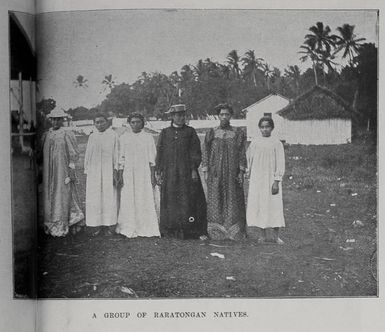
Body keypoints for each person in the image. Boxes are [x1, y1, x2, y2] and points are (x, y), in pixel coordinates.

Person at [155, 104, 207, 240]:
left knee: (188, 200)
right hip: (170, 173)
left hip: (187, 173)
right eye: (178, 115)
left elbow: (196, 153)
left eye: (183, 115)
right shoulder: (165, 133)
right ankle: (170, 231)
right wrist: (159, 171)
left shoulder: (190, 132)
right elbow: (160, 153)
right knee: (171, 200)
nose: (181, 118)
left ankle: (189, 231)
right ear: (172, 117)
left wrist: (193, 169)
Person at [202, 103, 247, 240]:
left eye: (227, 114)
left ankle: (234, 231)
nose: (224, 117)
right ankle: (216, 232)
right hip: (216, 172)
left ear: (231, 116)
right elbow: (206, 150)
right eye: (222, 114)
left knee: (233, 198)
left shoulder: (238, 132)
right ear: (218, 116)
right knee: (216, 197)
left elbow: (242, 152)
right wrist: (205, 170)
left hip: (232, 172)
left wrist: (241, 171)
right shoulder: (212, 132)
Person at [116, 113, 160, 238]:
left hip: (143, 173)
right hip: (129, 172)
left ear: (143, 123)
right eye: (133, 122)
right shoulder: (124, 138)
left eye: (138, 122)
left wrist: (152, 176)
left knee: (143, 197)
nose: (135, 124)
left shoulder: (148, 137)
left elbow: (152, 159)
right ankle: (129, 225)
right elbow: (121, 158)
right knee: (128, 197)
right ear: (129, 124)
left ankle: (145, 226)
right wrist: (120, 174)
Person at [42, 108, 84, 237]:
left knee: (64, 193)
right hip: (49, 170)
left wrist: (71, 169)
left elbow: (73, 153)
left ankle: (68, 221)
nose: (55, 122)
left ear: (62, 120)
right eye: (53, 119)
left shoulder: (66, 133)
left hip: (62, 170)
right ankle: (52, 220)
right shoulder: (47, 134)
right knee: (50, 193)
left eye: (58, 119)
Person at [246, 116, 285, 244]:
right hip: (258, 179)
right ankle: (262, 235)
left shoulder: (277, 143)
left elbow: (280, 162)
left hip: (271, 179)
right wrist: (248, 173)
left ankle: (276, 235)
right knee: (260, 205)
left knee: (274, 205)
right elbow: (249, 159)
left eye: (267, 127)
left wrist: (277, 180)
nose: (264, 129)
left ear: (272, 128)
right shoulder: (255, 142)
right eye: (262, 127)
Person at [84, 112, 120, 236]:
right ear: (94, 124)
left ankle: (109, 224)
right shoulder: (92, 136)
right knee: (95, 198)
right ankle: (96, 225)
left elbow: (116, 154)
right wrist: (87, 170)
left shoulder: (113, 135)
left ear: (107, 122)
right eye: (97, 122)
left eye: (102, 122)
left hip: (108, 170)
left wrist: (116, 169)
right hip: (94, 171)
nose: (99, 124)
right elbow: (88, 154)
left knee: (109, 196)